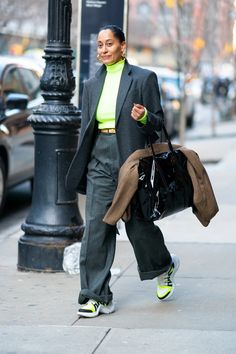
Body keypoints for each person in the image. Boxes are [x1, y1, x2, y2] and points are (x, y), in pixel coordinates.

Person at [66, 24, 180, 318]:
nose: (103, 50)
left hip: (132, 159)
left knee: (138, 225)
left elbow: (158, 125)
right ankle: (96, 296)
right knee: (96, 227)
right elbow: (86, 131)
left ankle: (164, 265)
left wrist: (144, 119)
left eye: (109, 44)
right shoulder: (91, 85)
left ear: (123, 46)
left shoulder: (143, 78)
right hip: (99, 160)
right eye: (100, 45)